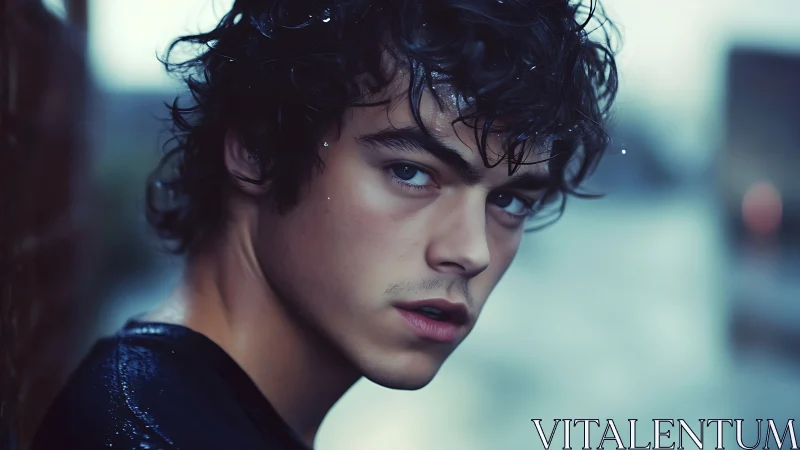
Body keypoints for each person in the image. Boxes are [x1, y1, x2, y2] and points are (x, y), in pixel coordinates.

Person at [31, 0, 618, 448]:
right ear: (260, 147)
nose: (471, 252)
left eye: (510, 200)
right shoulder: (143, 428)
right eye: (412, 173)